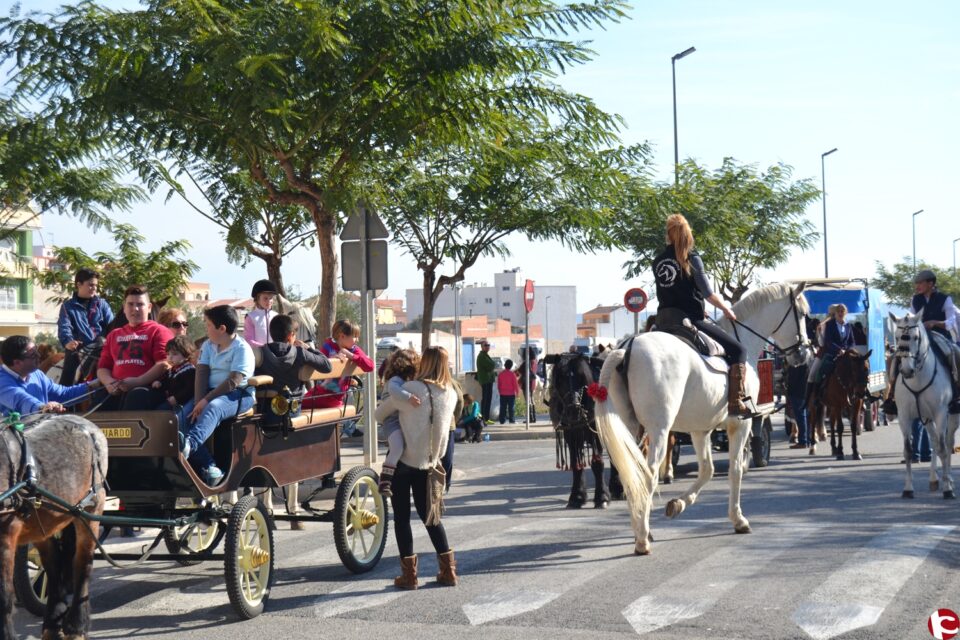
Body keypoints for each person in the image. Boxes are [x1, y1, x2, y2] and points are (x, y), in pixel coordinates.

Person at [374, 346, 459, 590]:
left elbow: (380, 415)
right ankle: (448, 571)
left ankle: (409, 577)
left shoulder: (411, 389)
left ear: (426, 363)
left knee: (402, 519)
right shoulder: (450, 393)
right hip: (429, 462)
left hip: (402, 463)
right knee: (431, 517)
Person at [652, 213, 752, 417]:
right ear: (688, 233)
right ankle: (736, 402)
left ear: (668, 234)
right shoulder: (692, 259)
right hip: (688, 319)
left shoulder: (658, 261)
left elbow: (672, 292)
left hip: (663, 320)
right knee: (739, 350)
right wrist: (726, 309)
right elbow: (707, 293)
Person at [255, 314, 331, 527]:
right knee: (292, 460)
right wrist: (307, 349)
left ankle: (267, 509)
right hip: (291, 413)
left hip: (264, 414)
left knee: (264, 460)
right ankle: (293, 509)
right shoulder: (299, 353)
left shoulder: (260, 353)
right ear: (291, 336)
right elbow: (326, 366)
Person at [179, 305, 256, 486]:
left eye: (208, 325)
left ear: (222, 329)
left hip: (238, 395)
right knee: (183, 415)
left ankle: (188, 446)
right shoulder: (208, 345)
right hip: (209, 394)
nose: (206, 329)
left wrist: (206, 401)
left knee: (214, 408)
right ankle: (209, 467)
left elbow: (233, 381)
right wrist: (199, 401)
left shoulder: (242, 349)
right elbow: (202, 373)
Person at [883, 269, 960, 415]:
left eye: (920, 283)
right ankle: (892, 396)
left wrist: (935, 323)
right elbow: (911, 316)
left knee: (955, 354)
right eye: (916, 283)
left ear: (930, 283)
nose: (917, 286)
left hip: (940, 336)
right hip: (919, 338)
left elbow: (951, 322)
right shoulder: (915, 299)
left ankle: (956, 395)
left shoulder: (945, 299)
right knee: (894, 358)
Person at [96, 285, 174, 411]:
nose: (135, 309)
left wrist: (137, 381)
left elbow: (164, 364)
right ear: (124, 308)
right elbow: (103, 367)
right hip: (117, 390)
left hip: (149, 389)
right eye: (130, 304)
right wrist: (109, 382)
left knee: (136, 395)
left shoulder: (159, 331)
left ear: (149, 308)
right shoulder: (113, 335)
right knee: (100, 397)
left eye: (140, 304)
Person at [302, 320, 374, 436]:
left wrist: (351, 356)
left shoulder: (353, 350)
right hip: (320, 394)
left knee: (295, 407)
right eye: (355, 336)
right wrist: (333, 359)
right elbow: (319, 360)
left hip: (332, 398)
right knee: (296, 405)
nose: (357, 340)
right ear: (342, 336)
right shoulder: (328, 346)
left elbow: (370, 365)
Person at [0, 335, 101, 416]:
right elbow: (21, 400)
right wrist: (42, 407)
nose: (39, 356)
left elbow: (63, 394)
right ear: (17, 362)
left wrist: (96, 384)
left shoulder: (37, 374)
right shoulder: (2, 381)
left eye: (37, 352)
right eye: (33, 355)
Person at [57, 268, 114, 386]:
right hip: (78, 349)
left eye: (96, 286)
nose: (94, 288)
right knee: (68, 374)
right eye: (90, 285)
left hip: (102, 347)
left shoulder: (102, 304)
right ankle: (65, 399)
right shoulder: (67, 306)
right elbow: (64, 327)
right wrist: (68, 341)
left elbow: (112, 326)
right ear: (79, 284)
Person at [377, 348, 421, 497]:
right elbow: (394, 390)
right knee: (397, 447)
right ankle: (385, 481)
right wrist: (409, 397)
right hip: (392, 420)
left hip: (400, 418)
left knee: (401, 447)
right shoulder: (395, 380)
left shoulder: (404, 380)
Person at [808, 303, 854, 400]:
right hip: (831, 352)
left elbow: (851, 341)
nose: (840, 313)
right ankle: (813, 398)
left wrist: (845, 350)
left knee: (859, 370)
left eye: (842, 311)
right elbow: (827, 341)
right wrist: (838, 349)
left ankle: (861, 395)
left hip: (841, 353)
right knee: (818, 373)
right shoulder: (827, 324)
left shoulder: (847, 325)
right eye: (838, 311)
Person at [151, 335, 197, 409]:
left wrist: (177, 398)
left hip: (181, 405)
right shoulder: (171, 370)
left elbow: (189, 389)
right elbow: (166, 382)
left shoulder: (190, 371)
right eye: (168, 354)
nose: (170, 357)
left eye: (175, 354)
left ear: (186, 355)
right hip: (169, 400)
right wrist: (159, 383)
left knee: (160, 409)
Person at [243, 279, 279, 348]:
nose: (269, 301)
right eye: (265, 298)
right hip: (259, 354)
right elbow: (249, 340)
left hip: (276, 353)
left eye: (271, 298)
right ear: (257, 299)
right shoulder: (250, 317)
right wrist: (265, 347)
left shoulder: (276, 316)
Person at [785, 359, 810, 449]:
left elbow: (793, 379)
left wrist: (789, 392)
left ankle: (803, 441)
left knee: (800, 417)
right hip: (804, 392)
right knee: (805, 416)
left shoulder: (797, 364)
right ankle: (808, 439)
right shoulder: (806, 362)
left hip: (797, 393)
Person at [475, 339, 496, 424]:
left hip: (488, 380)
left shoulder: (486, 355)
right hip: (485, 380)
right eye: (485, 345)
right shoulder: (482, 356)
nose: (487, 347)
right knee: (486, 400)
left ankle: (486, 419)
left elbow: (492, 365)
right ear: (482, 347)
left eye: (488, 345)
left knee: (488, 400)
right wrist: (492, 365)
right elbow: (491, 365)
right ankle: (484, 419)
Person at [497, 358, 520, 424]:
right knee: (511, 408)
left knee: (502, 407)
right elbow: (515, 384)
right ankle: (511, 420)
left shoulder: (501, 374)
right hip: (511, 394)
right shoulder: (512, 374)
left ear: (504, 365)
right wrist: (517, 392)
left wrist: (500, 391)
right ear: (511, 366)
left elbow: (499, 384)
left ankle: (502, 420)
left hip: (502, 393)